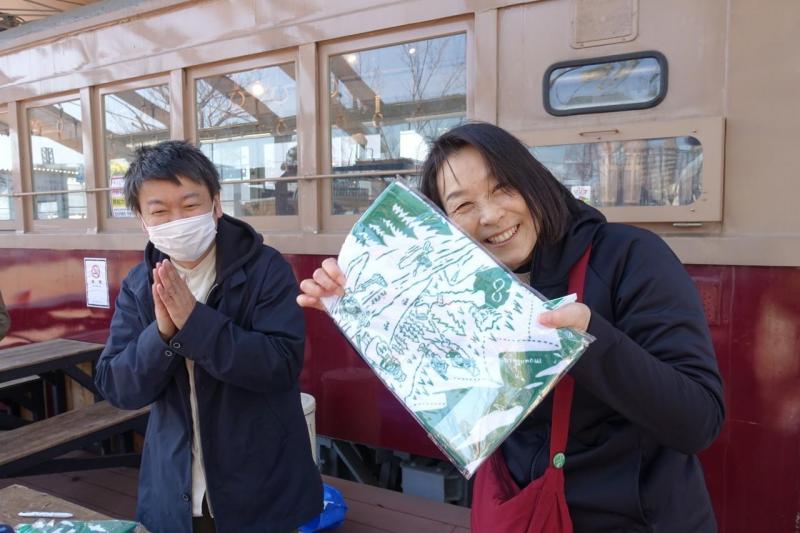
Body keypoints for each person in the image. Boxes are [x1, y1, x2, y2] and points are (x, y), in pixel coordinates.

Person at [297, 123, 724, 532]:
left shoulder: (630, 256)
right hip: (521, 513)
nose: (491, 215)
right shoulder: (453, 288)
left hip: (640, 520)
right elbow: (449, 404)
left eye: (503, 187)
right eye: (463, 205)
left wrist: (590, 339)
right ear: (441, 226)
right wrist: (362, 307)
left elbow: (698, 421)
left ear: (535, 181)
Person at [95, 141, 322, 533]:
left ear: (216, 205)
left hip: (259, 489)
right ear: (141, 219)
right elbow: (118, 386)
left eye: (190, 205)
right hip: (176, 494)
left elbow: (281, 363)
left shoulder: (266, 269)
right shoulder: (138, 285)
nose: (177, 219)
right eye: (160, 211)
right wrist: (163, 333)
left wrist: (195, 322)